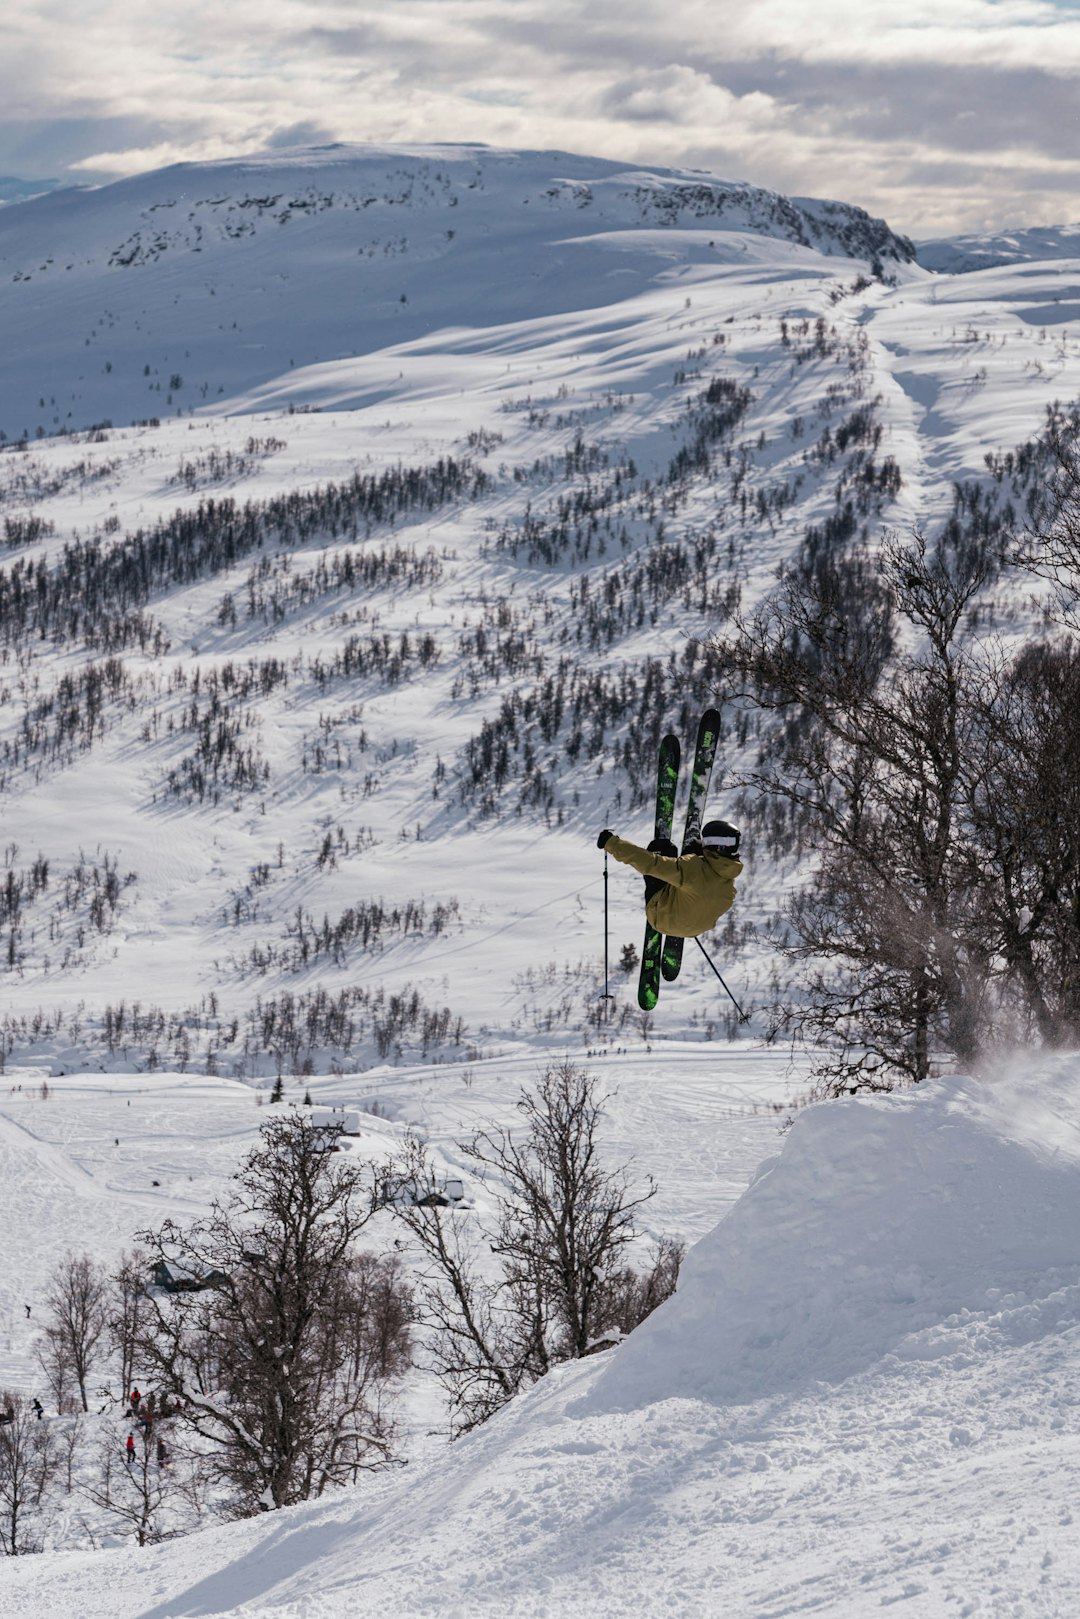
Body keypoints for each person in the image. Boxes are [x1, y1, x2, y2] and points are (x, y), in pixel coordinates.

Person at [597, 819, 743, 938]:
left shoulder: (691, 869)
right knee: (691, 880)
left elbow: (651, 863)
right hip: (695, 929)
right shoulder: (729, 888)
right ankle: (683, 921)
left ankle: (663, 849)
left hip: (660, 918)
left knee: (665, 849)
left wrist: (611, 843)